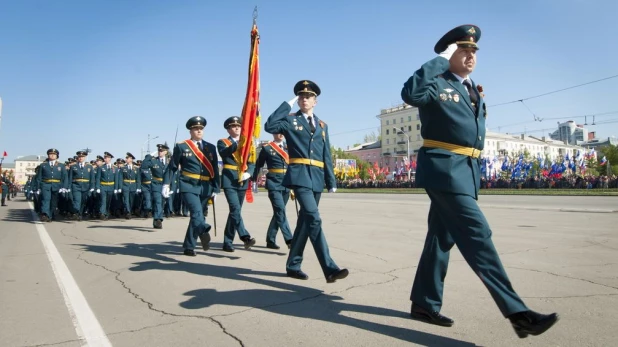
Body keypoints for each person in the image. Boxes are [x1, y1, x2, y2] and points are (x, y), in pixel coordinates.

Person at [400, 24, 558, 337]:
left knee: (441, 237)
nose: (470, 55)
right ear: (450, 54)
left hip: (466, 171)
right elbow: (410, 93)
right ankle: (517, 312)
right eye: (463, 50)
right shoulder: (436, 83)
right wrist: (439, 61)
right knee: (477, 231)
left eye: (473, 51)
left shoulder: (473, 90)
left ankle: (424, 303)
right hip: (444, 169)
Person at [264, 80, 348, 283]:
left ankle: (293, 265)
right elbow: (269, 125)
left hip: (317, 178)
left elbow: (326, 154)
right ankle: (329, 268)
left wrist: (331, 180)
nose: (304, 99)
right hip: (299, 175)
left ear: (315, 101)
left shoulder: (322, 125)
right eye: (301, 96)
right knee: (314, 218)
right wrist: (287, 103)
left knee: (305, 222)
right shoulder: (290, 120)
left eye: (308, 97)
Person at [163, 116, 220, 256]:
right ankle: (204, 230)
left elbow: (215, 170)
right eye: (196, 128)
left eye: (201, 128)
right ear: (190, 130)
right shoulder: (182, 146)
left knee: (197, 217)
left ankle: (189, 246)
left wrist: (216, 189)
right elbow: (172, 167)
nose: (199, 131)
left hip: (206, 186)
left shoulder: (211, 147)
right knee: (196, 213)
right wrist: (166, 184)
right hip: (188, 185)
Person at [217, 116, 257, 252]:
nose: (237, 128)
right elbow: (224, 153)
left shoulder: (249, 144)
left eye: (239, 126)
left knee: (235, 212)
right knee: (235, 209)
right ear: (228, 130)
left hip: (242, 180)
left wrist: (249, 173)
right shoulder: (222, 142)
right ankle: (245, 237)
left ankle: (227, 242)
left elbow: (252, 162)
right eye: (233, 126)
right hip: (229, 180)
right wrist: (239, 143)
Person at [252, 133, 293, 249]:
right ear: (273, 133)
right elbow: (258, 165)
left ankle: (270, 239)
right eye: (277, 132)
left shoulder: (288, 147)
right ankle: (289, 239)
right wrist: (253, 180)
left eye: (282, 132)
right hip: (274, 183)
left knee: (278, 213)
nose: (280, 134)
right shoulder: (267, 148)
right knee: (280, 210)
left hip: (286, 183)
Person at [36, 149, 67, 222]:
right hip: (45, 185)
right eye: (50, 154)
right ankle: (45, 214)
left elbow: (64, 177)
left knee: (53, 202)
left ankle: (50, 215)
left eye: (54, 154)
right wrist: (38, 187)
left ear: (57, 156)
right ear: (48, 155)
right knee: (46, 199)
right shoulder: (43, 165)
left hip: (56, 185)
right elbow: (39, 177)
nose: (52, 155)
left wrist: (64, 187)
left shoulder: (61, 166)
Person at [68, 151, 95, 220]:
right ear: (77, 157)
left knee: (83, 201)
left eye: (82, 157)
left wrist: (92, 187)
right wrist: (69, 187)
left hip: (86, 186)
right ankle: (76, 212)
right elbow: (70, 178)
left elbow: (92, 178)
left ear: (85, 158)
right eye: (79, 157)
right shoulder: (73, 166)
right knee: (77, 200)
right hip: (76, 186)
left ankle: (80, 214)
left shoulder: (89, 167)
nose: (81, 158)